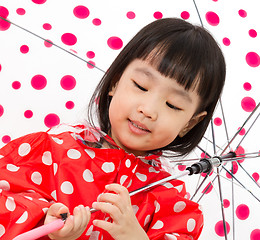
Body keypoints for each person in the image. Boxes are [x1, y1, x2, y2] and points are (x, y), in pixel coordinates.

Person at [0, 18, 226, 239]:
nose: (148, 110)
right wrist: (47, 227)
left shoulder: (171, 204)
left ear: (190, 123)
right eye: (140, 86)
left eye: (172, 105)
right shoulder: (52, 152)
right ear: (116, 81)